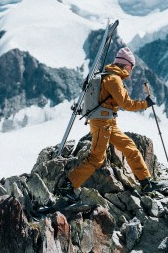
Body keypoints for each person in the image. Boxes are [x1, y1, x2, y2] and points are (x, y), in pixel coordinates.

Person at [59, 47, 161, 202]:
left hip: (107, 122)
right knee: (96, 158)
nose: (131, 70)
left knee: (130, 147)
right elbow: (126, 104)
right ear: (126, 65)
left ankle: (146, 182)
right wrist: (145, 103)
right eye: (131, 66)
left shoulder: (107, 75)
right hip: (102, 124)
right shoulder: (113, 79)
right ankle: (68, 185)